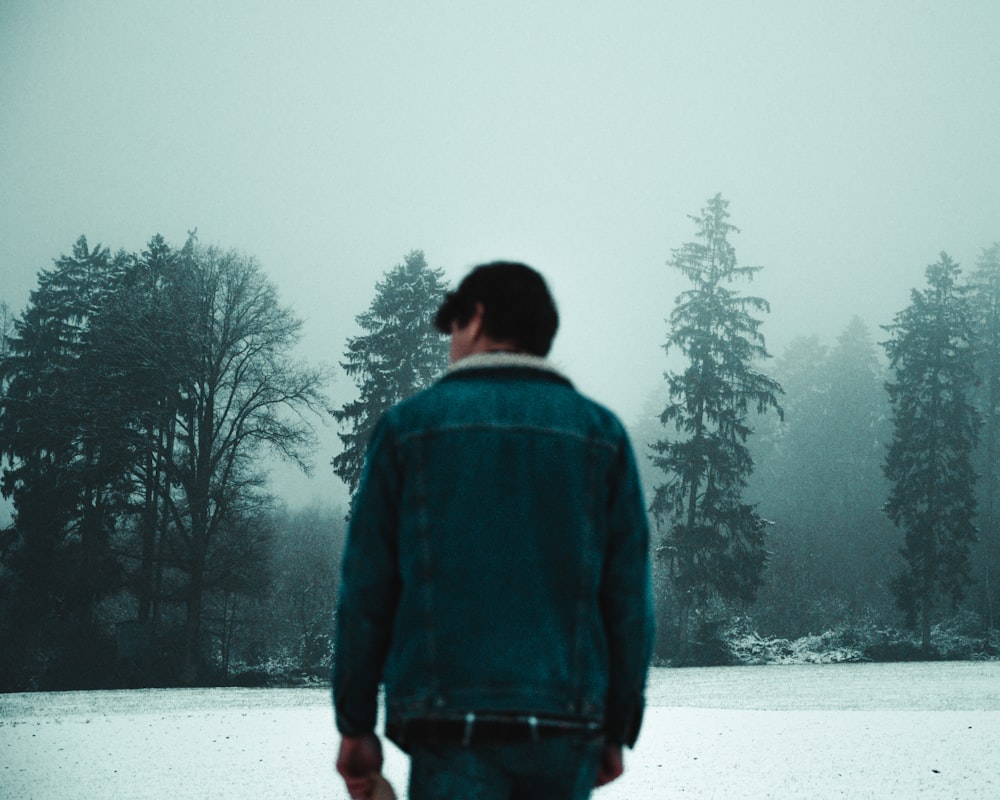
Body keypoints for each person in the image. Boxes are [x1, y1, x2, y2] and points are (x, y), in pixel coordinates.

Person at [333, 261, 654, 800]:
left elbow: (367, 592)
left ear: (476, 317)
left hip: (449, 721)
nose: (450, 344)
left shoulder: (408, 432)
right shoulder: (602, 438)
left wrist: (355, 724)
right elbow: (627, 600)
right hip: (565, 723)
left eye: (453, 326)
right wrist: (615, 727)